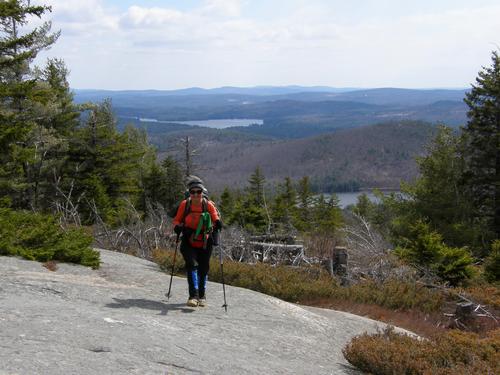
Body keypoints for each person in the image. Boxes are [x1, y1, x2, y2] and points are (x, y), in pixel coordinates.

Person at [173, 177, 221, 307]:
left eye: (198, 192)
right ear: (189, 193)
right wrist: (177, 227)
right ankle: (193, 296)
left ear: (202, 192)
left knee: (204, 268)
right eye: (192, 192)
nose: (195, 194)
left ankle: (202, 295)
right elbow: (177, 220)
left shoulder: (208, 204)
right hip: (188, 239)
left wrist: (217, 223)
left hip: (205, 241)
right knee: (192, 265)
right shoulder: (185, 204)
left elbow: (215, 218)